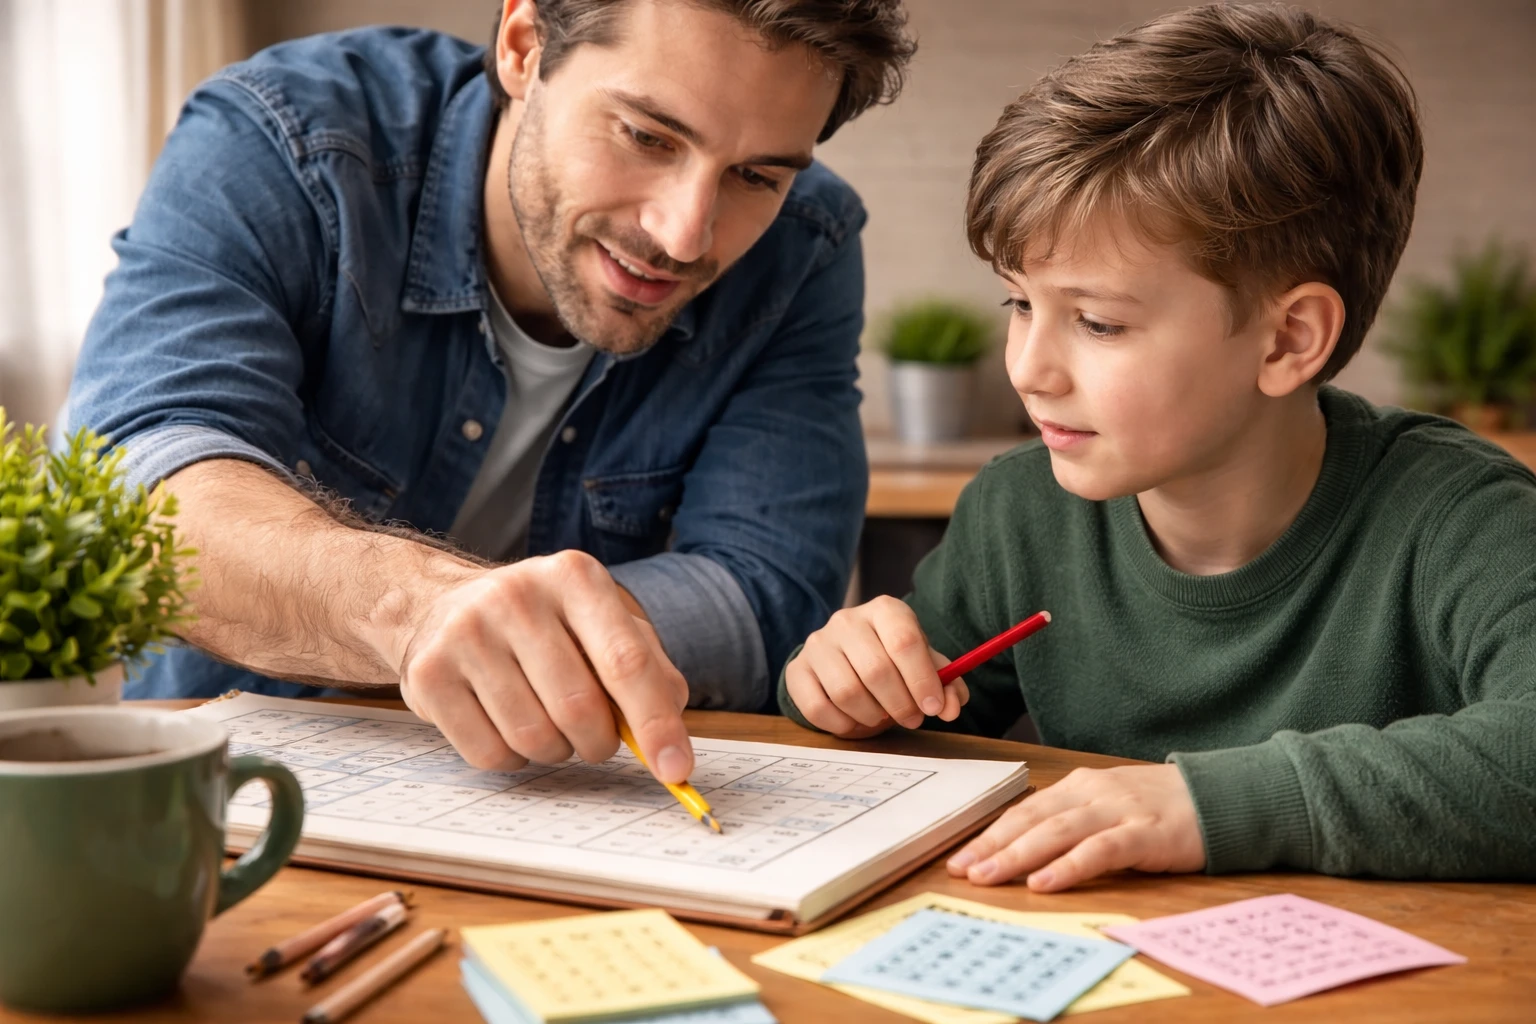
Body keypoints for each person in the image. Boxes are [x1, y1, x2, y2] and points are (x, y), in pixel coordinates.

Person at [781, 2, 1536, 890]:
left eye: (1098, 323)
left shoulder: (1462, 518)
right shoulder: (1020, 512)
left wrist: (1198, 805)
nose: (1030, 369)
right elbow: (895, 716)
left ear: (1289, 340)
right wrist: (832, 682)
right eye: (1019, 303)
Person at [66, 0, 915, 783]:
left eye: (756, 178)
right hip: (239, 788)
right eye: (648, 137)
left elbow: (765, 595)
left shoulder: (806, 247)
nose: (684, 233)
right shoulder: (285, 137)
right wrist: (418, 609)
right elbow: (138, 496)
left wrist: (505, 636)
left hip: (576, 807)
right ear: (522, 46)